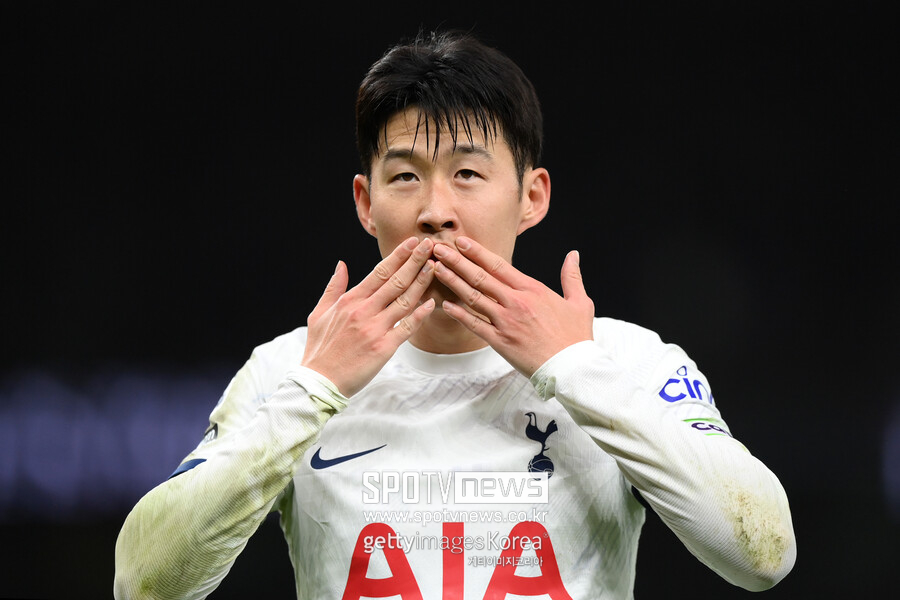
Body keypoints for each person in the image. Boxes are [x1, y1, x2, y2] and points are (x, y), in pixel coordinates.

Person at [114, 30, 796, 599]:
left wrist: (573, 369)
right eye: (405, 176)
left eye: (468, 174)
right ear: (365, 203)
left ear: (532, 197)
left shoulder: (627, 362)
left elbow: (763, 554)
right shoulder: (290, 370)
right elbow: (141, 584)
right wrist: (315, 390)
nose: (435, 210)